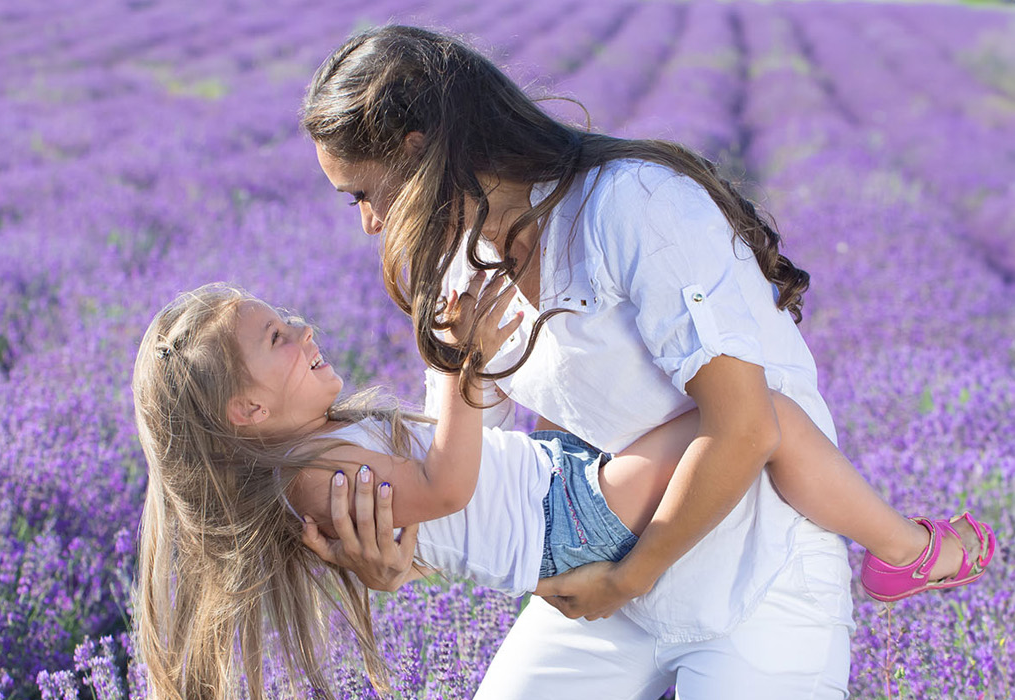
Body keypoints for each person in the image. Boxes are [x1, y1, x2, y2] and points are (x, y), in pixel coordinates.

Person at [292, 24, 995, 698]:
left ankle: (907, 551)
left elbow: (747, 428)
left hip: (757, 571)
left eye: (363, 193)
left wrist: (629, 579)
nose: (369, 223)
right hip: (611, 567)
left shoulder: (632, 204)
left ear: (419, 152)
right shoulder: (457, 264)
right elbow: (490, 469)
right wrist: (404, 562)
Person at [126, 283, 992, 700]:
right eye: (279, 337)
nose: (305, 328)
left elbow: (456, 478)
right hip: (570, 522)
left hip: (563, 490)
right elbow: (449, 484)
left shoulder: (319, 447)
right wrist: (458, 370)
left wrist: (475, 374)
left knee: (729, 413)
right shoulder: (317, 478)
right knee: (759, 418)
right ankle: (905, 551)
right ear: (246, 410)